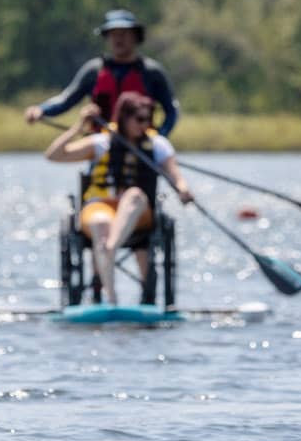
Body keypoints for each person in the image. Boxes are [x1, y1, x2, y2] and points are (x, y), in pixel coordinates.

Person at [45, 91, 194, 305]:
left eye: (149, 119)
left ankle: (110, 248)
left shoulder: (158, 145)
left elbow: (175, 175)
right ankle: (111, 299)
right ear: (123, 117)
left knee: (133, 195)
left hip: (138, 213)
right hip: (100, 208)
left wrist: (183, 189)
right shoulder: (101, 142)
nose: (145, 124)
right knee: (101, 223)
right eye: (140, 119)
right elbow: (53, 155)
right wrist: (79, 127)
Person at [25, 9, 180, 135]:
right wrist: (41, 109)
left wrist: (159, 136)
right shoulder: (93, 71)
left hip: (141, 149)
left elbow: (172, 110)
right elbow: (66, 100)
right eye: (113, 34)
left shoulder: (152, 72)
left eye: (124, 33)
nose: (118, 39)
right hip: (101, 146)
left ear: (135, 36)